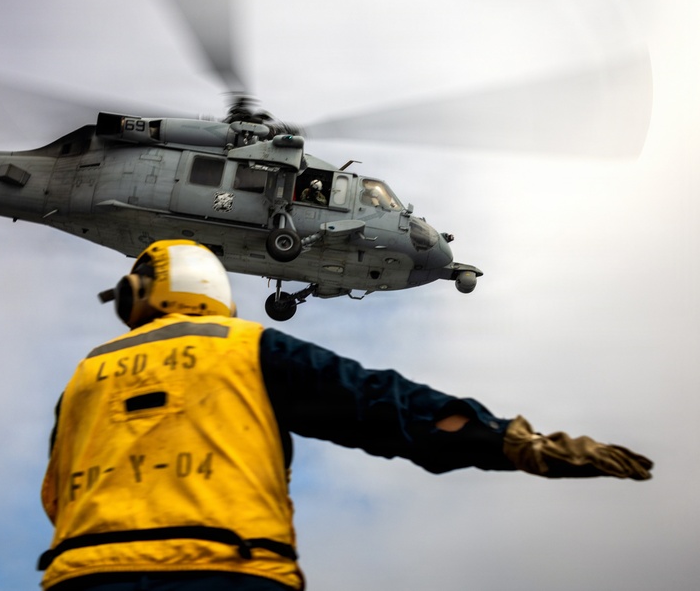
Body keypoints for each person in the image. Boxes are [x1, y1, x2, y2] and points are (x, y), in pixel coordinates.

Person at [39, 240, 652, 590]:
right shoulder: (247, 348)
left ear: (135, 294)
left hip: (83, 580)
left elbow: (55, 498)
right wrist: (515, 444)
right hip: (227, 571)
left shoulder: (83, 380)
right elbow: (381, 406)